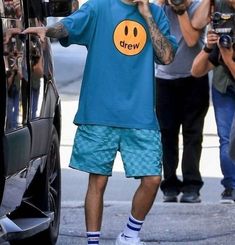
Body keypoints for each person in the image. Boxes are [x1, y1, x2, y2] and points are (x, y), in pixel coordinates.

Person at [23, 0, 177, 244]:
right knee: (98, 181)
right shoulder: (98, 7)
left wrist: (147, 14)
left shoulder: (156, 12)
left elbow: (167, 56)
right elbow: (68, 27)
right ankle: (92, 241)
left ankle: (129, 235)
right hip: (99, 113)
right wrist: (47, 30)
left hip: (140, 115)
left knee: (153, 179)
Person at [154, 0, 210, 203]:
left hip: (194, 78)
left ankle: (191, 185)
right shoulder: (159, 7)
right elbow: (151, 26)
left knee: (193, 134)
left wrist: (180, 10)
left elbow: (192, 39)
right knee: (167, 134)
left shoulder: (197, 5)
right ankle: (169, 184)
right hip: (164, 80)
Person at [191, 0, 235, 204]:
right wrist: (209, 47)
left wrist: (227, 58)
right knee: (226, 139)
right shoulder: (218, 7)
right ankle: (230, 186)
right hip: (223, 85)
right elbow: (196, 70)